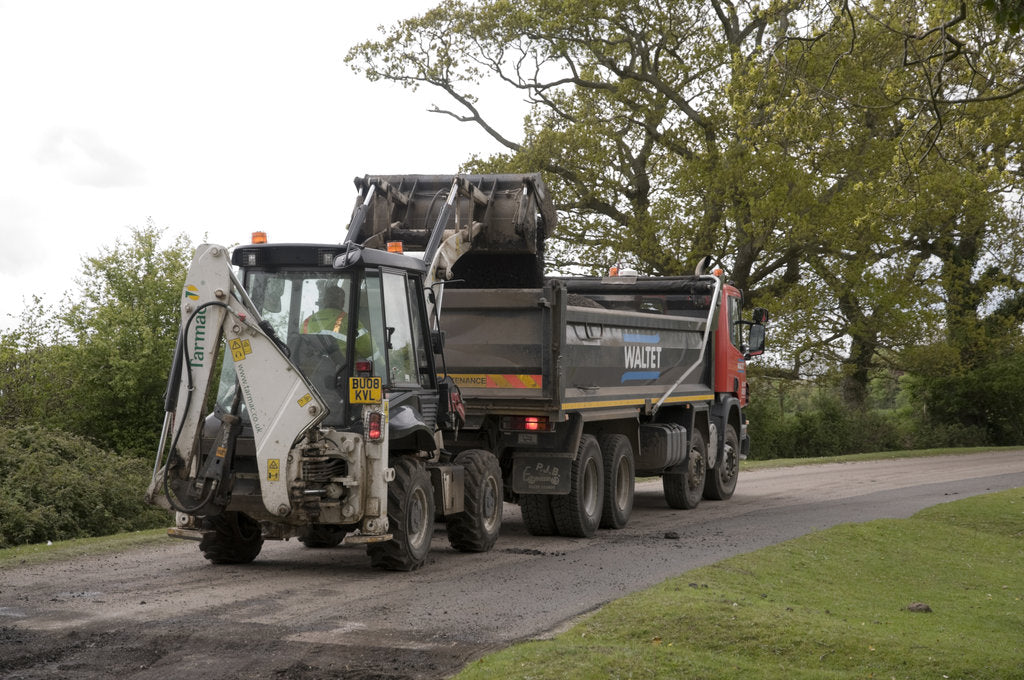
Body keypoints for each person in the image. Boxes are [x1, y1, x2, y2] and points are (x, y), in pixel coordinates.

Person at [301, 284, 372, 358]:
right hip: (343, 368)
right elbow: (369, 351)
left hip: (310, 368)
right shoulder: (350, 322)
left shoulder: (307, 322)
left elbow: (301, 347)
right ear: (342, 303)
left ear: (324, 301)